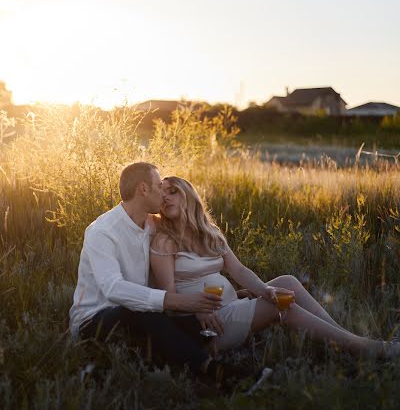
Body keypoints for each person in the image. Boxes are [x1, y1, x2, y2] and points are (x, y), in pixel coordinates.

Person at [150, 176, 400, 359]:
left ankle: (344, 340)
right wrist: (197, 309)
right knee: (279, 306)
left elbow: (239, 271)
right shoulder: (165, 240)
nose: (166, 198)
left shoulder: (210, 233)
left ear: (189, 195)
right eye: (162, 196)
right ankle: (369, 349)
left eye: (172, 191)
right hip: (208, 323)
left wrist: (263, 289)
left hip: (229, 305)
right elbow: (168, 295)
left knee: (287, 283)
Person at [69, 162, 231, 381]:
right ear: (143, 189)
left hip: (142, 316)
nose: (163, 195)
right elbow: (113, 288)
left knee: (194, 325)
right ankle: (215, 373)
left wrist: (198, 306)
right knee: (140, 309)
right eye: (159, 186)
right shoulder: (102, 231)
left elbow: (184, 232)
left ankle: (169, 357)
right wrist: (179, 302)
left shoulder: (151, 225)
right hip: (94, 320)